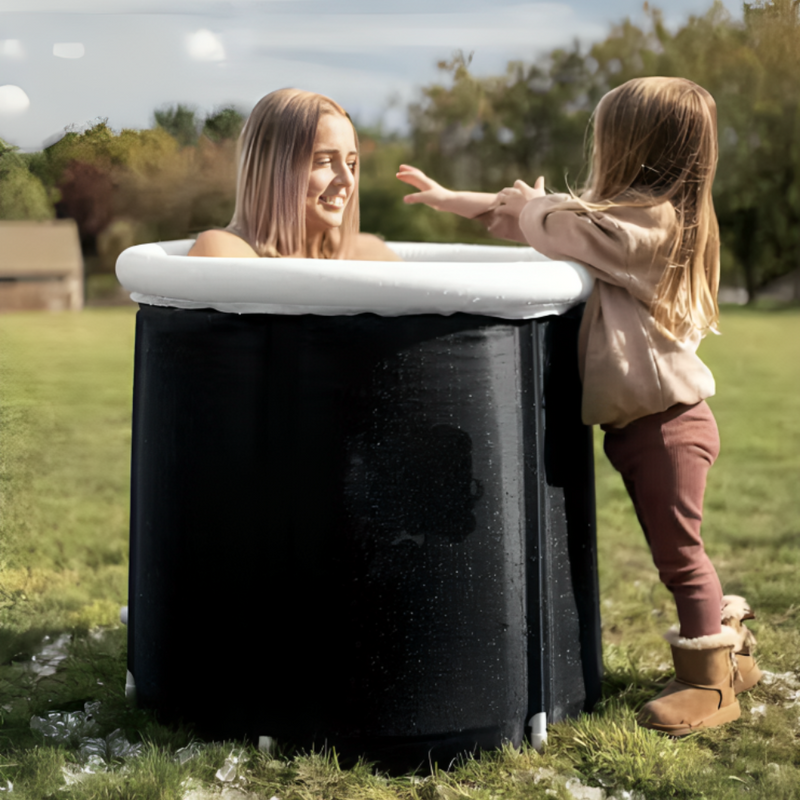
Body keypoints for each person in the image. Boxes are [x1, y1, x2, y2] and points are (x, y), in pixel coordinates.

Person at [396, 76, 761, 736]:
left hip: (668, 426)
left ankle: (710, 687)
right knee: (675, 550)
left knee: (680, 556)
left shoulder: (653, 227)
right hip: (643, 425)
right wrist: (459, 201)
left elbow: (552, 220)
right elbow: (544, 219)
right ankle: (728, 636)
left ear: (633, 146)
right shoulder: (612, 223)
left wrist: (532, 207)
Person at [189, 88, 400, 261]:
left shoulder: (371, 253)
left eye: (352, 164)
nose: (348, 179)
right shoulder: (222, 251)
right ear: (269, 168)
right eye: (324, 161)